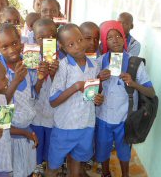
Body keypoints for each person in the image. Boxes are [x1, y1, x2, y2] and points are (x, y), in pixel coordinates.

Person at [96, 20, 155, 177]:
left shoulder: (135, 63)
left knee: (124, 151)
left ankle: (125, 174)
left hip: (125, 118)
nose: (115, 39)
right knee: (102, 149)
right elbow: (91, 91)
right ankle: (106, 173)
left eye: (118, 35)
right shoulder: (100, 61)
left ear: (124, 38)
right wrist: (99, 79)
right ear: (105, 42)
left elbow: (151, 92)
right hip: (103, 116)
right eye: (110, 37)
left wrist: (133, 83)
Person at [47, 24, 104, 177]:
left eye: (80, 40)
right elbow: (53, 101)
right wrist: (76, 87)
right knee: (53, 165)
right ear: (63, 48)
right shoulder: (63, 67)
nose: (78, 46)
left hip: (85, 124)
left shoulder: (94, 65)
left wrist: (98, 98)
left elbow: (93, 93)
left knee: (76, 162)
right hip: (64, 127)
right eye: (71, 44)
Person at [0, 23, 49, 177]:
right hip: (10, 136)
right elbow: (2, 114)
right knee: (13, 171)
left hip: (27, 129)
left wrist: (40, 79)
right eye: (5, 47)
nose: (11, 50)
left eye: (14, 43)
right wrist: (16, 81)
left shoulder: (29, 61)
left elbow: (33, 95)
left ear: (20, 40)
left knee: (26, 169)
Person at [30, 18, 60, 176]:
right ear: (34, 39)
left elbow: (62, 90)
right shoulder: (30, 60)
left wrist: (54, 75)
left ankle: (50, 164)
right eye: (41, 38)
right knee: (37, 140)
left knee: (51, 141)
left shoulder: (61, 60)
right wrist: (41, 77)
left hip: (53, 112)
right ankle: (37, 164)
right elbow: (30, 92)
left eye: (51, 37)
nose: (46, 41)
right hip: (36, 112)